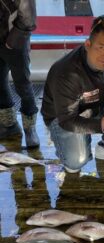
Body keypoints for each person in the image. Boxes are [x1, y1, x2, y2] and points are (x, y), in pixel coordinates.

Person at [41, 15, 104, 173]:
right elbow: (67, 119)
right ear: (88, 44)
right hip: (63, 118)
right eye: (101, 47)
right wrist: (102, 126)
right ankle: (67, 147)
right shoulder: (66, 72)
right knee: (76, 163)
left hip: (96, 107)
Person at [0, 0, 39, 147]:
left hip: (15, 41)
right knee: (0, 83)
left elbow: (28, 18)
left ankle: (30, 129)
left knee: (23, 84)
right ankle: (9, 125)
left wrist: (12, 42)